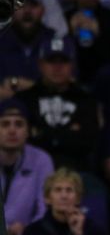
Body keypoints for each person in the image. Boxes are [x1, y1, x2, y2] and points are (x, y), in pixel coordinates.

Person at [16, 34, 99, 171]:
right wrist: (68, 135)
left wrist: (43, 134)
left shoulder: (86, 100)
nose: (57, 67)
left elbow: (88, 143)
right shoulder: (25, 99)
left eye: (63, 61)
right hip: (30, 170)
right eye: (51, 61)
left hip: (76, 172)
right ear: (40, 64)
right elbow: (23, 142)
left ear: (72, 65)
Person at [0, 97, 52, 235]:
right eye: (5, 124)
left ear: (28, 131)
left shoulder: (41, 160)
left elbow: (46, 207)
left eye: (19, 124)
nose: (12, 130)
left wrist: (28, 229)